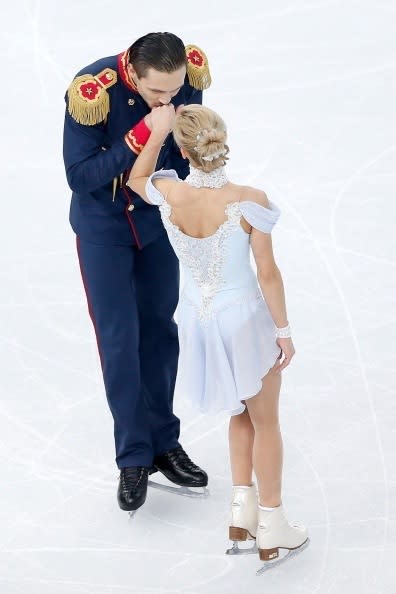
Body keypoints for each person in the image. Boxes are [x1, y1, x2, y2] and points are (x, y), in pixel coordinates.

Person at [127, 104, 309, 563]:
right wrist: (283, 331)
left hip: (198, 316)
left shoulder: (168, 192)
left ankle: (241, 511)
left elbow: (135, 179)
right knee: (264, 418)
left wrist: (156, 131)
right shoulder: (250, 199)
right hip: (242, 317)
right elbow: (267, 273)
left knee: (238, 410)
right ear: (221, 142)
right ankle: (272, 522)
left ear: (183, 150)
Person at [63, 33, 211, 512]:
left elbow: (181, 157)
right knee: (119, 340)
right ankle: (133, 456)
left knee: (160, 334)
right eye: (157, 94)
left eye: (175, 92)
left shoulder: (182, 76)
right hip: (104, 228)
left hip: (156, 222)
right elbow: (81, 176)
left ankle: (164, 442)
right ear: (133, 73)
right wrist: (143, 133)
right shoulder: (93, 91)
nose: (169, 101)